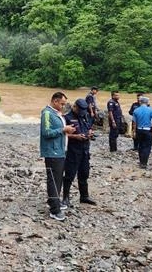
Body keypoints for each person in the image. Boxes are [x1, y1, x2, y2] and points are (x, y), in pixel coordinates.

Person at [40, 92, 76, 221]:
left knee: (58, 178)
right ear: (55, 101)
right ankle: (54, 210)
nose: (63, 106)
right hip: (52, 152)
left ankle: (54, 202)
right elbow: (46, 132)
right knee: (54, 180)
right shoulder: (47, 113)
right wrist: (63, 130)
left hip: (60, 151)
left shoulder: (56, 113)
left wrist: (67, 130)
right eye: (62, 104)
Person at [62, 99, 97, 208]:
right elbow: (63, 135)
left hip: (85, 150)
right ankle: (65, 197)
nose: (82, 113)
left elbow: (89, 127)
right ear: (74, 107)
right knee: (69, 174)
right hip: (73, 150)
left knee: (84, 173)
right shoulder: (66, 118)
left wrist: (90, 133)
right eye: (80, 110)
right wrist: (75, 136)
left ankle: (84, 196)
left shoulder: (85, 116)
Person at [132, 96, 152, 169]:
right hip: (148, 130)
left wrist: (134, 131)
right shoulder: (151, 110)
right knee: (147, 147)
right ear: (147, 102)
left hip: (139, 130)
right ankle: (144, 163)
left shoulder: (136, 110)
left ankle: (141, 162)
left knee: (140, 146)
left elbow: (134, 122)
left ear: (140, 102)